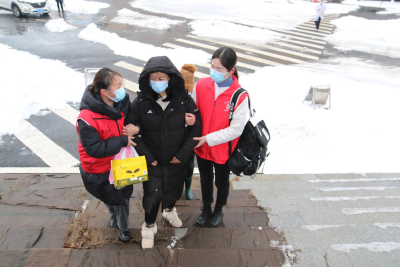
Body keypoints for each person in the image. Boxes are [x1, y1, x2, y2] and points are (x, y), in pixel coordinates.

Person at [125, 56, 202, 249]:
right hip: (152, 160)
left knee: (174, 189)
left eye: (161, 78)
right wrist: (148, 157)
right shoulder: (141, 102)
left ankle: (169, 210)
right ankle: (149, 226)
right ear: (147, 79)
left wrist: (183, 155)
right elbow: (131, 133)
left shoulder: (184, 100)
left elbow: (195, 129)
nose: (157, 82)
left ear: (170, 78)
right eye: (153, 78)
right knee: (153, 194)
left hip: (177, 158)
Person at [192, 47, 249, 228]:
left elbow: (236, 129)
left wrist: (208, 138)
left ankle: (218, 209)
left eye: (219, 69)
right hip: (201, 146)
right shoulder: (201, 85)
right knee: (205, 178)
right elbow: (193, 110)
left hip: (224, 148)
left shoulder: (239, 95)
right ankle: (206, 208)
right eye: (212, 67)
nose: (214, 72)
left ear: (231, 71)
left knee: (222, 181)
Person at [76, 67, 135, 243]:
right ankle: (112, 216)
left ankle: (123, 228)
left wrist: (133, 129)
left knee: (123, 199)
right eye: (118, 85)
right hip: (98, 167)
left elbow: (132, 122)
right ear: (105, 92)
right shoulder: (86, 117)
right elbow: (95, 149)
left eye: (121, 84)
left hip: (121, 163)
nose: (122, 89)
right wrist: (122, 141)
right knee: (109, 197)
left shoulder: (122, 102)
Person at [180, 64, 197, 200]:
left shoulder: (194, 100)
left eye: (187, 89)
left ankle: (188, 187)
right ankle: (177, 186)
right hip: (176, 137)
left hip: (189, 138)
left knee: (190, 165)